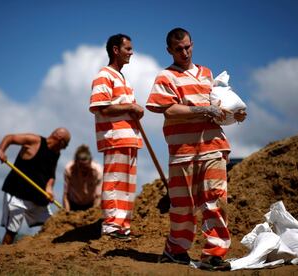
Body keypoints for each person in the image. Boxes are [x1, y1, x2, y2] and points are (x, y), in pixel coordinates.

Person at [146, 28, 247, 270]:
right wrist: (202, 110)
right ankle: (176, 250)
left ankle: (214, 254)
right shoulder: (166, 77)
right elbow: (168, 109)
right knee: (183, 206)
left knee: (215, 200)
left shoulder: (206, 74)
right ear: (169, 50)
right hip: (182, 151)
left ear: (192, 44)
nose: (184, 52)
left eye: (188, 47)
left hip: (213, 146)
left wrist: (233, 114)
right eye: (178, 49)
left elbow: (217, 106)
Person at [89, 33, 144, 240]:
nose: (131, 52)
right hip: (115, 136)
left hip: (129, 136)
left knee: (127, 184)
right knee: (114, 181)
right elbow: (99, 107)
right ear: (115, 50)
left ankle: (123, 225)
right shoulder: (104, 75)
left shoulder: (124, 79)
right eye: (128, 49)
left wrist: (134, 110)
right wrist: (130, 106)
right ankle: (112, 225)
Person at [0, 127, 71, 245]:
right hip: (17, 194)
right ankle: (1, 255)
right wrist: (1, 150)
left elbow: (51, 175)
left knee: (52, 224)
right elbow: (10, 138)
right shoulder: (34, 141)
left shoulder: (56, 154)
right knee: (12, 231)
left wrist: (49, 190)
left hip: (37, 196)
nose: (64, 148)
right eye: (65, 145)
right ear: (59, 139)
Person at [63, 144, 103, 211]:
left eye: (86, 167)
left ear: (90, 161)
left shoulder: (98, 171)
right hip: (74, 204)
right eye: (81, 166)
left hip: (91, 204)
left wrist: (93, 213)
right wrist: (67, 212)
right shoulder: (69, 169)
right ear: (76, 162)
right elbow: (66, 194)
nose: (83, 170)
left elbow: (98, 196)